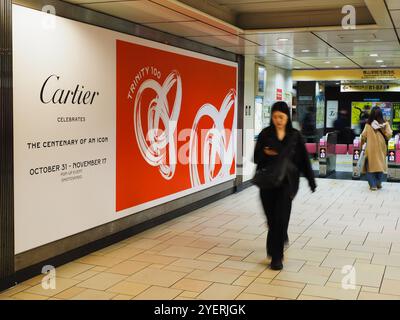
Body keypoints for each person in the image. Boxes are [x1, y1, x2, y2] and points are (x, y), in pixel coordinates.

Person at [254, 101, 316, 270]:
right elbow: (256, 157)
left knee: (280, 218)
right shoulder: (265, 134)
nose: (278, 120)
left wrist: (311, 180)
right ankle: (278, 239)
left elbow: (304, 160)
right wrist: (266, 153)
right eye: (275, 117)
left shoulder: (295, 136)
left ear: (287, 117)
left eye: (281, 117)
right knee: (272, 220)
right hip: (267, 184)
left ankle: (277, 257)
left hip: (287, 183)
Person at [361, 106, 392, 191]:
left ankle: (373, 185)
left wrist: (361, 145)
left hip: (370, 149)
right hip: (381, 149)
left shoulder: (368, 125)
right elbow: (389, 135)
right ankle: (378, 183)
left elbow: (363, 136)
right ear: (381, 114)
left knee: (369, 167)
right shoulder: (385, 124)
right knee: (380, 165)